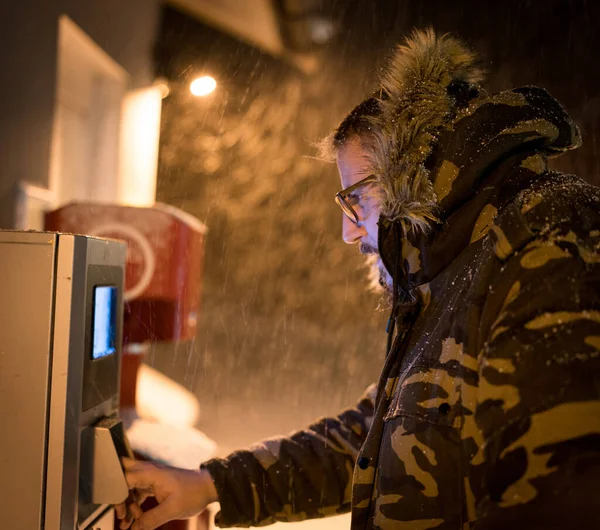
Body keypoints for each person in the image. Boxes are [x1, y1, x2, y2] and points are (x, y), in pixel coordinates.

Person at [116, 29, 600, 530]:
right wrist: (214, 484)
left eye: (356, 199)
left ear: (412, 175)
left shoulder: (550, 242)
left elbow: (565, 494)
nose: (349, 233)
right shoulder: (452, 270)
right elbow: (380, 437)